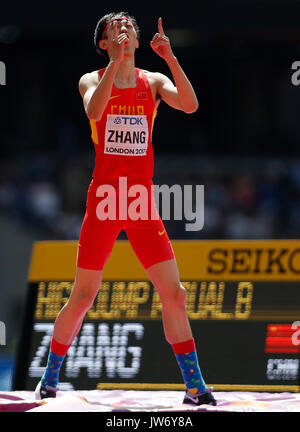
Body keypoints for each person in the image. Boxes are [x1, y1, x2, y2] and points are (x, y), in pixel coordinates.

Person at [35, 11, 216, 406]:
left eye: (129, 24)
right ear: (103, 43)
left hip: (141, 202)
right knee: (83, 296)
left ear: (138, 39)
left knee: (175, 294)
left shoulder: (152, 81)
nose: (124, 27)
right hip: (104, 200)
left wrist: (169, 57)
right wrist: (116, 63)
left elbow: (189, 105)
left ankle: (195, 388)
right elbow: (94, 112)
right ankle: (48, 378)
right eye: (114, 26)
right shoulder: (92, 79)